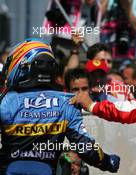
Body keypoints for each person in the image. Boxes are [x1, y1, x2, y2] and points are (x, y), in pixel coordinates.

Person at [0, 38, 120, 175]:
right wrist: (108, 161)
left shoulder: (5, 101)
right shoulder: (67, 102)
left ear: (24, 66)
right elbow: (86, 148)